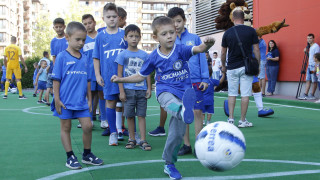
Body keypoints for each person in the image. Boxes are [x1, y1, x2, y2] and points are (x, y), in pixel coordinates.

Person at [111, 16, 215, 180]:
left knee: (177, 135)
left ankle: (169, 164)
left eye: (172, 33)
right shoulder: (153, 57)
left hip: (184, 94)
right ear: (155, 37)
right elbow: (140, 76)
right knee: (171, 104)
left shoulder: (180, 49)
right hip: (165, 92)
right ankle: (181, 110)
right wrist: (121, 79)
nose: (169, 36)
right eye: (164, 34)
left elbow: (199, 49)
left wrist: (207, 45)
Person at [51, 21, 103, 170]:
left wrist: (88, 99)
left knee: (88, 126)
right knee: (66, 127)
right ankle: (70, 157)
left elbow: (87, 80)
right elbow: (56, 80)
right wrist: (57, 100)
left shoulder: (85, 58)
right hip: (65, 101)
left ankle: (87, 154)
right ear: (67, 37)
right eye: (77, 39)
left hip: (81, 101)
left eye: (84, 40)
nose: (81, 43)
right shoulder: (61, 57)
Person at [166, 7, 210, 157]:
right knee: (184, 113)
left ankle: (199, 144)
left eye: (178, 21)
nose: (176, 25)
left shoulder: (194, 38)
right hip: (180, 83)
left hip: (196, 80)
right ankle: (186, 145)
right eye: (173, 23)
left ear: (184, 21)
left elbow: (201, 57)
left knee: (197, 112)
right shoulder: (169, 41)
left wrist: (205, 78)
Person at [93, 3, 128, 145]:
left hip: (125, 76)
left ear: (119, 18)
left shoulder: (124, 34)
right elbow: (96, 57)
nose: (112, 19)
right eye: (109, 17)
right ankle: (113, 132)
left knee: (126, 102)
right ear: (103, 18)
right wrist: (97, 75)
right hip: (108, 76)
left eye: (114, 16)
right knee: (111, 102)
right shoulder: (100, 36)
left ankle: (127, 131)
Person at [115, 24, 152, 150]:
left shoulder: (144, 55)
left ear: (140, 38)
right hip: (128, 90)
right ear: (125, 38)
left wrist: (148, 88)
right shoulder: (122, 55)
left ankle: (142, 139)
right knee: (129, 115)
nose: (134, 39)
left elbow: (147, 73)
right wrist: (121, 92)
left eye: (136, 36)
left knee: (141, 115)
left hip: (141, 90)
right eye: (131, 36)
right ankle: (131, 138)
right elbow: (119, 75)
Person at [221, 10, 260, 128]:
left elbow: (223, 52)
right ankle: (243, 120)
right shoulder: (251, 31)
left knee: (232, 93)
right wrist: (257, 64)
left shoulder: (227, 33)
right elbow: (256, 50)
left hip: (232, 67)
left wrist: (223, 65)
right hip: (246, 66)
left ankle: (231, 119)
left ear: (233, 19)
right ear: (244, 18)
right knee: (245, 94)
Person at [80, 14, 108, 129]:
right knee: (89, 96)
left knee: (102, 95)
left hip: (101, 72)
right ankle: (89, 119)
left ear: (95, 22)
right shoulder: (82, 39)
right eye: (85, 24)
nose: (88, 25)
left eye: (90, 23)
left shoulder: (101, 36)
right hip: (88, 73)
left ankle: (104, 118)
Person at [298, 33, 319, 100]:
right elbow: (311, 57)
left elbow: (317, 58)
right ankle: (305, 94)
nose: (309, 40)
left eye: (310, 38)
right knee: (308, 80)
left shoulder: (316, 46)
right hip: (309, 66)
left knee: (314, 80)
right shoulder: (309, 47)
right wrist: (306, 52)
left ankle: (312, 94)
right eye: (308, 38)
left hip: (314, 66)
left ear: (313, 39)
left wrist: (316, 68)